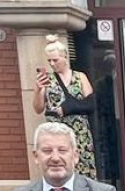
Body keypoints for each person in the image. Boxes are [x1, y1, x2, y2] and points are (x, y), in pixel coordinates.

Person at [32, 34, 97, 180]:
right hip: (56, 132)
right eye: (49, 61)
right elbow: (38, 109)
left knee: (83, 167)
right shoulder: (47, 79)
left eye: (55, 60)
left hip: (80, 132)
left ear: (65, 57)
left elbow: (90, 104)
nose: (52, 64)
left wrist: (68, 108)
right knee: (60, 167)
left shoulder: (80, 77)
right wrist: (37, 89)